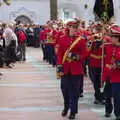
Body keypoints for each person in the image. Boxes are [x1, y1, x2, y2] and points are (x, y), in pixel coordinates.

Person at [57, 20, 88, 119]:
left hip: (76, 69)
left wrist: (78, 56)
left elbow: (86, 53)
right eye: (73, 27)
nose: (75, 30)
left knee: (75, 91)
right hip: (65, 68)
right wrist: (59, 65)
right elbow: (59, 53)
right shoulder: (62, 39)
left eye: (76, 28)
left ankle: (73, 111)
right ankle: (66, 107)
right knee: (64, 89)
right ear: (69, 27)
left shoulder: (81, 40)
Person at [103, 25, 120, 120]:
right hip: (109, 75)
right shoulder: (107, 46)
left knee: (117, 96)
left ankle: (118, 113)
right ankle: (108, 110)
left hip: (118, 76)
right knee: (107, 95)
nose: (112, 38)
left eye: (115, 37)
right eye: (112, 36)